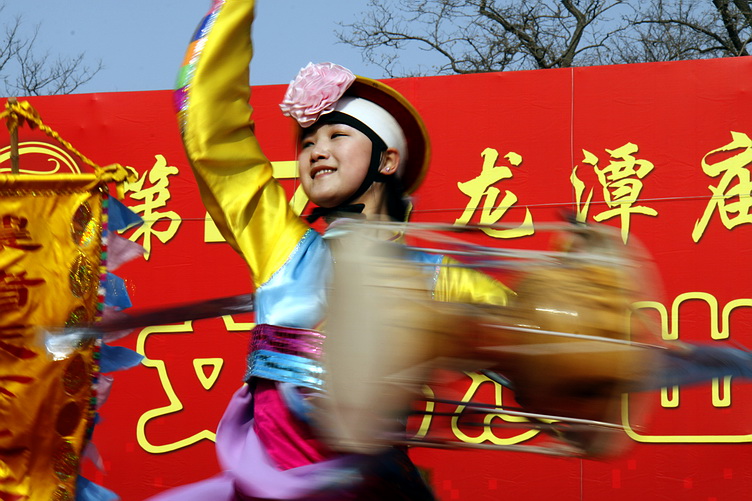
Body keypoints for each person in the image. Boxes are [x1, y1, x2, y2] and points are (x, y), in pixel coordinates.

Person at [151, 0, 511, 499]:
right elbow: (212, 134)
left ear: (387, 160)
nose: (316, 151)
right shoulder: (282, 247)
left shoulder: (437, 276)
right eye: (306, 142)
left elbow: (529, 341)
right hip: (270, 486)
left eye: (337, 135)